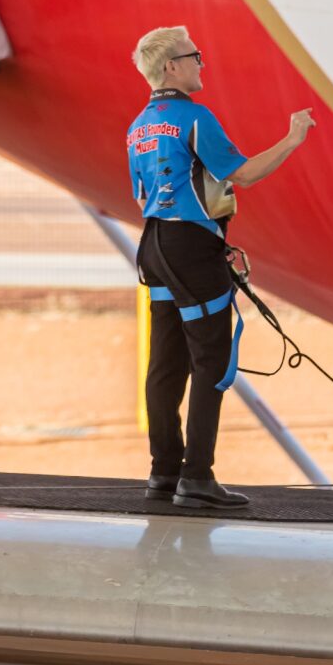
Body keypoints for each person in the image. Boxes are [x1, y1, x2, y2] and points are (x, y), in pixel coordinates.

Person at [126, 26, 315, 511]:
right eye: (195, 57)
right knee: (211, 361)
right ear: (171, 66)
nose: (201, 65)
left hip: (153, 244)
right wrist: (293, 138)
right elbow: (244, 173)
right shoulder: (194, 117)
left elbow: (146, 195)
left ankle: (163, 472)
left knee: (165, 364)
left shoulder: (139, 125)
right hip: (189, 246)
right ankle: (198, 476)